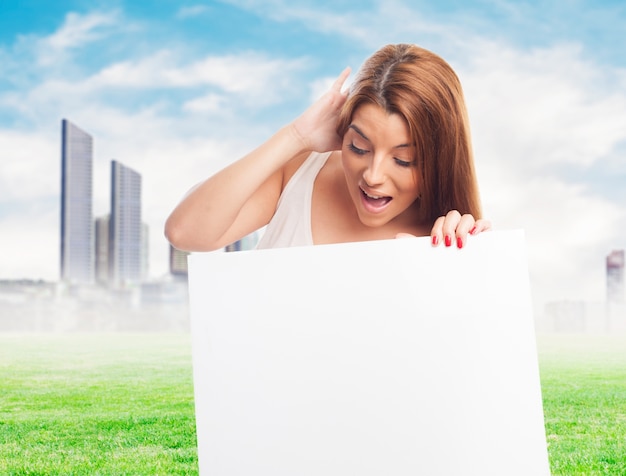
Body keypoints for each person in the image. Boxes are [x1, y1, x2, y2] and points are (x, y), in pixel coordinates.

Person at [165, 43, 491, 253]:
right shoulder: (301, 174)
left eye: (404, 160)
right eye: (359, 148)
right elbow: (185, 232)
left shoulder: (443, 237)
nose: (373, 176)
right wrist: (295, 137)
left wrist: (458, 263)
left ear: (441, 161)